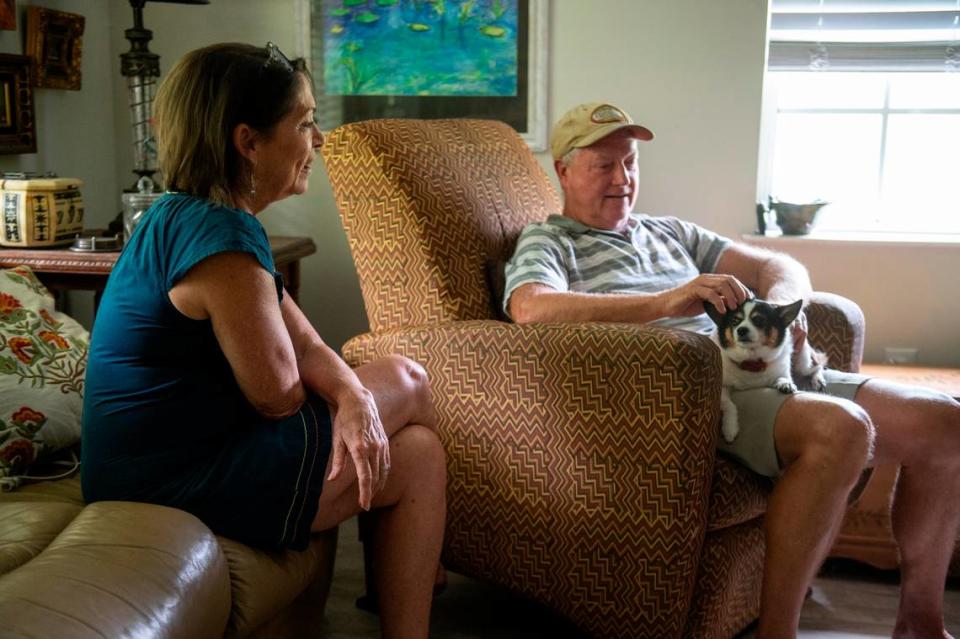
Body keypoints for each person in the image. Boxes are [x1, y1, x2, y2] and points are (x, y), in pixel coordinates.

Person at [503, 102, 960, 638]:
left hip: (772, 369)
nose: (623, 179)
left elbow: (777, 264)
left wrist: (786, 312)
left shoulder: (667, 231)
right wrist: (668, 302)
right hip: (698, 391)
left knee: (945, 424)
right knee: (843, 430)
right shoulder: (550, 240)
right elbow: (531, 307)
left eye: (630, 163)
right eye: (603, 166)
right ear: (563, 170)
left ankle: (920, 622)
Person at [81, 42, 446, 637]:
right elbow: (278, 395)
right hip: (165, 484)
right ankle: (414, 574)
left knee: (420, 453)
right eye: (304, 124)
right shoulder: (222, 238)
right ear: (248, 141)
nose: (318, 140)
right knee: (408, 378)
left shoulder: (185, 215)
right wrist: (346, 397)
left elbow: (307, 347)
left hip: (179, 461)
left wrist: (352, 397)